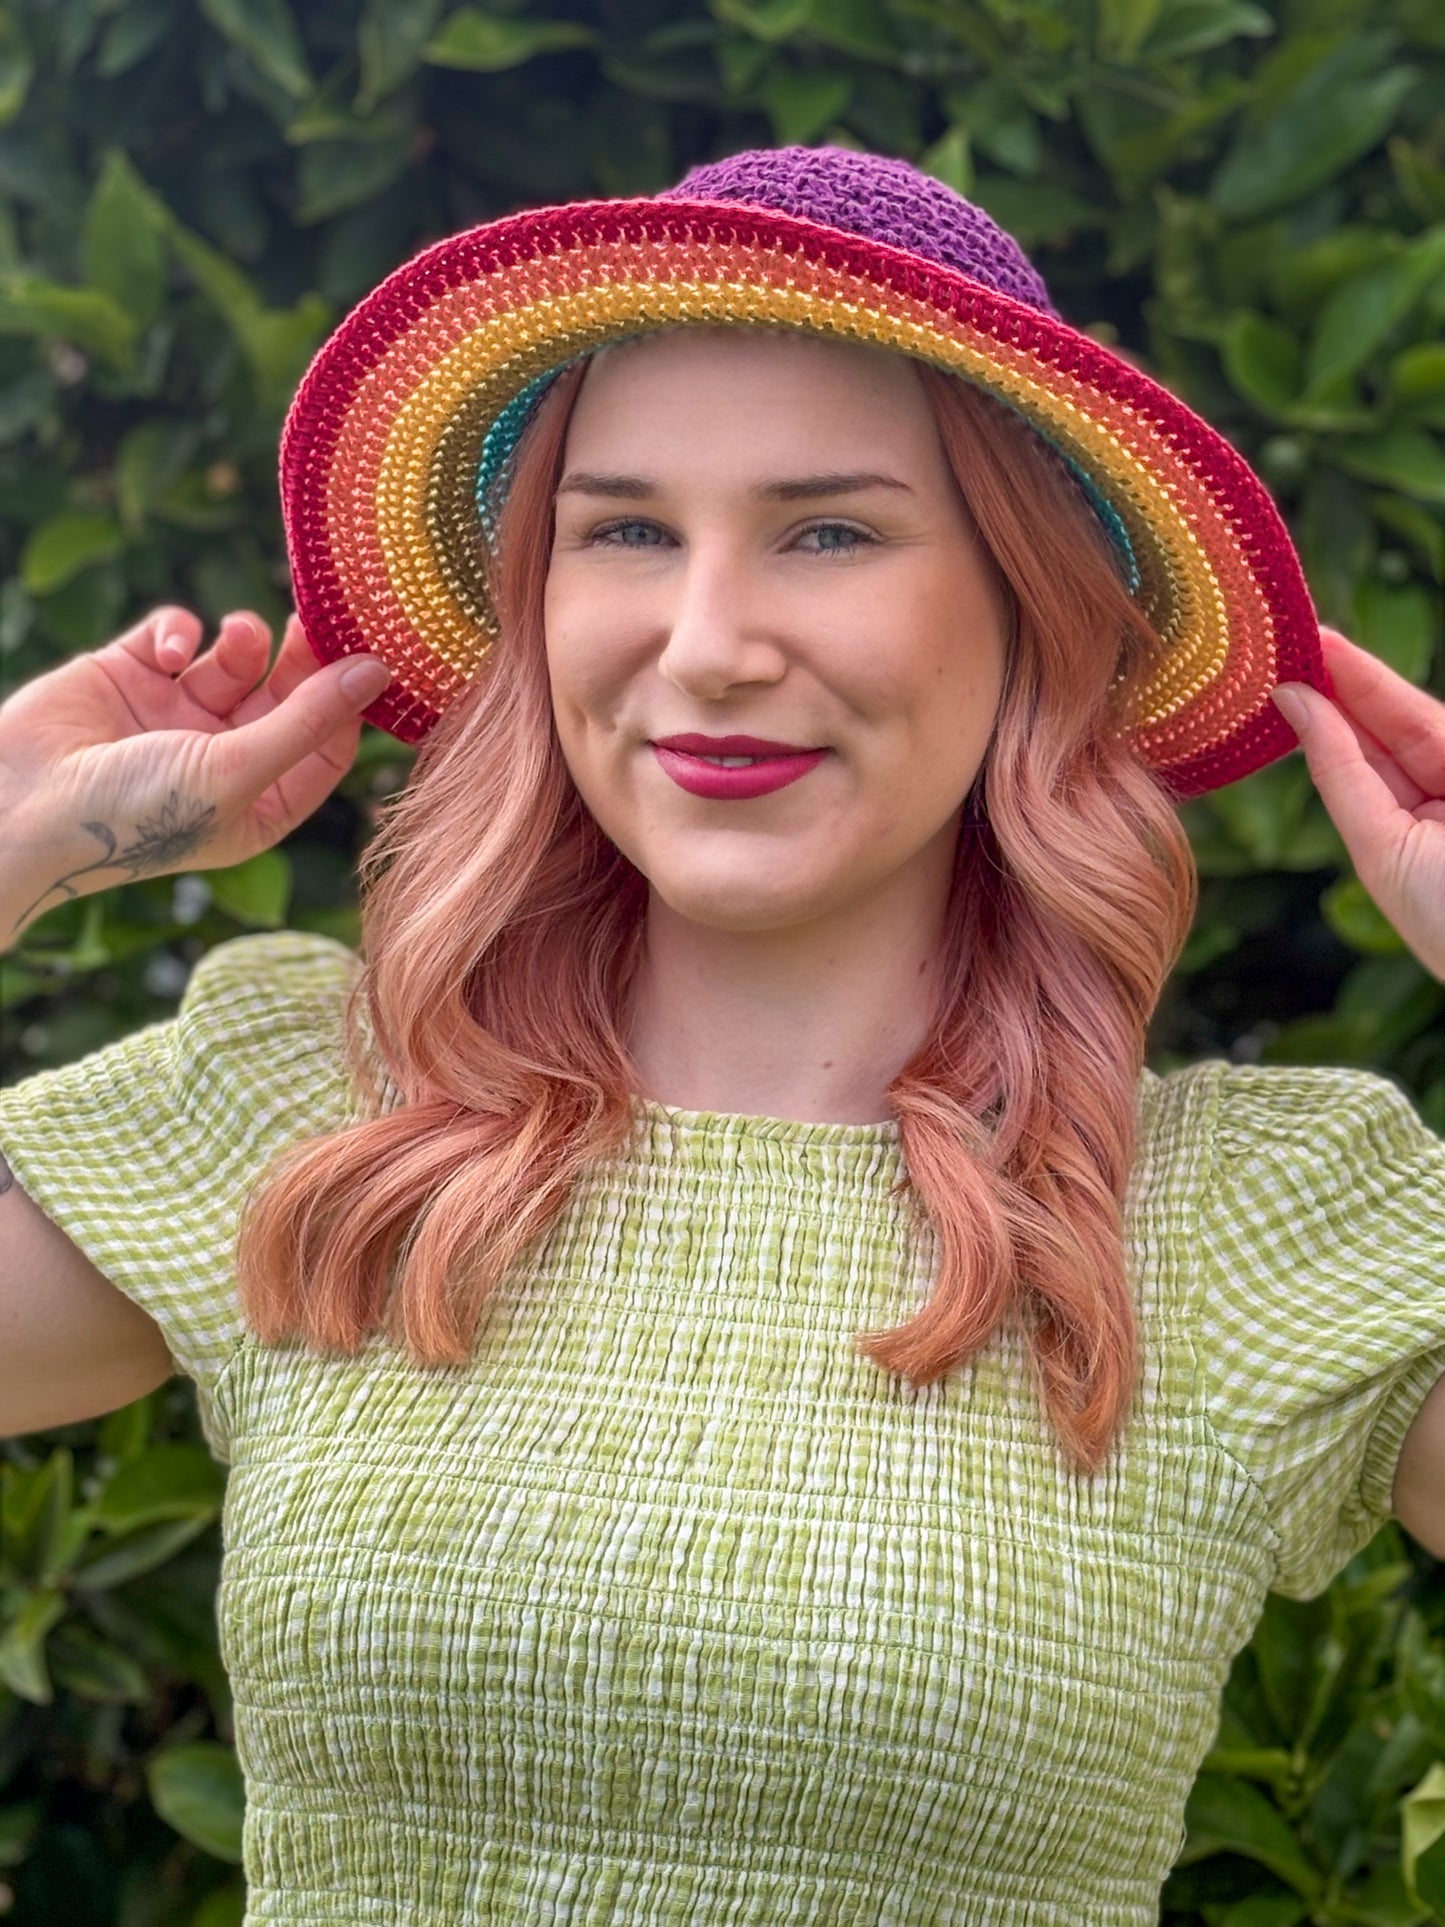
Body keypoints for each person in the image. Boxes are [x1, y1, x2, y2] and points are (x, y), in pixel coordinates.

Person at [1, 142, 1443, 1924]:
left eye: (826, 530)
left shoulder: (1253, 1224)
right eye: (624, 531)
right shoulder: (316, 1116)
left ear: (1027, 607)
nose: (704, 645)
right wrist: (18, 832)